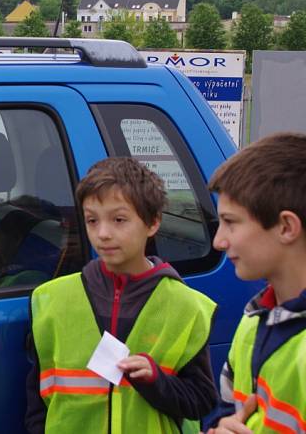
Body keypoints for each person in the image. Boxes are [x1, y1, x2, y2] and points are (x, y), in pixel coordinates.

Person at [25, 157, 217, 433]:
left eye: (119, 220)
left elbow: (201, 400)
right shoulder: (52, 300)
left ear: (152, 223)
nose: (103, 233)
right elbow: (36, 400)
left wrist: (157, 381)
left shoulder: (186, 306)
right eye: (92, 220)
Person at [206, 132, 306, 434]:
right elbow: (224, 412)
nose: (218, 241)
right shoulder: (254, 321)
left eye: (231, 222)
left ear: (286, 227)